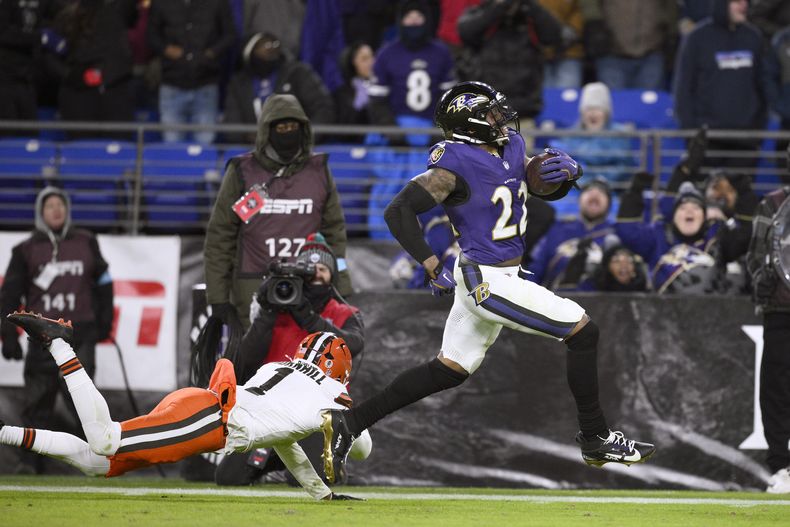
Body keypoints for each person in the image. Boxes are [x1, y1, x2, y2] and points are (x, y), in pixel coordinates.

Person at [319, 81, 656, 484]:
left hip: (505, 273)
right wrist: (429, 262)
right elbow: (400, 210)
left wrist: (564, 177)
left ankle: (348, 423)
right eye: (492, 112)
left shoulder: (511, 144)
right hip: (486, 279)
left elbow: (527, 185)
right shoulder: (452, 163)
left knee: (449, 369)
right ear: (472, 122)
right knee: (583, 332)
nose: (502, 117)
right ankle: (596, 436)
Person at [0, 313, 369, 500]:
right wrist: (351, 422)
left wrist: (323, 494)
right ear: (338, 370)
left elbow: (286, 440)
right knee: (105, 441)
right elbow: (362, 446)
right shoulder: (331, 393)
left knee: (95, 463)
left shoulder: (279, 369)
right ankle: (59, 344)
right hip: (211, 419)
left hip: (200, 409)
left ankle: (4, 431)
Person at [204, 94, 352, 330]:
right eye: (281, 127)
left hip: (310, 287)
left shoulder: (320, 170)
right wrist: (218, 297)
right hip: (252, 287)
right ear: (266, 130)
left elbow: (334, 233)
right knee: (255, 364)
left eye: (293, 126)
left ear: (303, 129)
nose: (288, 132)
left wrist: (341, 284)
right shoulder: (241, 171)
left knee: (306, 362)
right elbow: (220, 237)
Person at [0, 187, 114, 473]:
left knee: (84, 405)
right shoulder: (25, 250)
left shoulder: (86, 242)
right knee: (37, 404)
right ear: (41, 212)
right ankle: (29, 465)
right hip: (40, 338)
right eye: (49, 205)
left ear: (67, 210)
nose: (56, 210)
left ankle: (100, 461)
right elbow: (10, 296)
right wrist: (7, 334)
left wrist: (104, 321)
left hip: (80, 335)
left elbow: (105, 283)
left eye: (60, 205)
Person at [235, 233, 364, 384]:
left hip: (323, 400)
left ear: (333, 276)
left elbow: (353, 347)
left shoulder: (346, 313)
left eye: (323, 269)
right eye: (309, 270)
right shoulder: (277, 309)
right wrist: (266, 313)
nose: (316, 274)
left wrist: (310, 319)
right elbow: (246, 360)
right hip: (273, 396)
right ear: (298, 275)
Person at [673, 0, 766, 169]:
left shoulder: (754, 37)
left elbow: (763, 86)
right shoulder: (697, 38)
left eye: (745, 1)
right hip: (707, 138)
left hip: (746, 140)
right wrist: (692, 135)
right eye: (737, 1)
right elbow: (683, 88)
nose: (743, 6)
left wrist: (758, 132)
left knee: (741, 194)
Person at [458, 0, 563, 147]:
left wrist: (530, 5)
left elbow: (553, 35)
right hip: (485, 114)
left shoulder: (530, 15)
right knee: (484, 166)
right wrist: (499, 8)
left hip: (522, 112)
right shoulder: (483, 11)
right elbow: (466, 32)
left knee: (519, 166)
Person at [745, 184, 790, 494]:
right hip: (780, 310)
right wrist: (763, 278)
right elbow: (755, 255)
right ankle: (782, 468)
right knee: (775, 390)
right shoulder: (772, 202)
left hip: (778, 310)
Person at [146, 0, 236, 144]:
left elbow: (230, 34)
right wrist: (167, 50)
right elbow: (151, 35)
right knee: (172, 145)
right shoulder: (161, 2)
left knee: (205, 146)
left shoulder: (218, 2)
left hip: (206, 82)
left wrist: (209, 54)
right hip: (172, 83)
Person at [223, 32, 335, 145]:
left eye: (275, 44)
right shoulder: (238, 83)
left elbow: (323, 109)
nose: (271, 48)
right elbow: (232, 124)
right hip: (251, 150)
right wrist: (248, 137)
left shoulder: (298, 73)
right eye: (265, 45)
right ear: (250, 52)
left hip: (298, 149)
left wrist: (304, 137)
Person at [367, 0, 455, 137]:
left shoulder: (441, 53)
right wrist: (392, 132)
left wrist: (437, 130)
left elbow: (450, 98)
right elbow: (377, 101)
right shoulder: (386, 54)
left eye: (418, 18)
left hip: (433, 130)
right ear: (400, 21)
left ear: (427, 20)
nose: (414, 23)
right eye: (409, 18)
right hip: (396, 130)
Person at [52, 0, 138, 136]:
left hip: (115, 93)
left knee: (119, 150)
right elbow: (48, 57)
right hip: (78, 97)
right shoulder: (64, 15)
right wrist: (71, 75)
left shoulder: (119, 9)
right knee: (82, 151)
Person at [528, 177, 618, 289]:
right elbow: (535, 269)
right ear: (579, 200)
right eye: (589, 191)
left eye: (602, 192)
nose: (595, 193)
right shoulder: (557, 229)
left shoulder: (617, 234)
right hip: (556, 300)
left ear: (609, 204)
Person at [549, 82, 637, 187]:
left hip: (611, 188)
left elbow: (624, 166)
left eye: (598, 109)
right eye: (588, 109)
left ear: (606, 113)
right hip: (575, 189)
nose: (593, 113)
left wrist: (600, 180)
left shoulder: (619, 134)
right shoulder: (570, 135)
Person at [579, 0, 677, 90]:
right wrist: (595, 27)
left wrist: (671, 34)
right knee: (616, 105)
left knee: (649, 106)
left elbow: (671, 8)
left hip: (652, 50)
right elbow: (589, 5)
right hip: (611, 52)